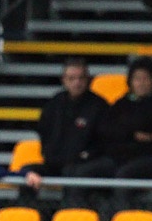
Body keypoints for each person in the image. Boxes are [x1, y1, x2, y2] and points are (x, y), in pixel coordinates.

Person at [22, 58, 110, 208]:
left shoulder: (99, 106)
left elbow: (103, 143)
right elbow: (44, 133)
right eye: (71, 78)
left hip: (84, 166)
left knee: (74, 174)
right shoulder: (54, 104)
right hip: (54, 164)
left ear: (88, 79)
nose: (77, 83)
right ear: (64, 80)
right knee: (26, 172)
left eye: (81, 78)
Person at [94, 57, 152, 209]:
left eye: (146, 79)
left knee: (123, 177)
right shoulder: (122, 103)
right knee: (85, 172)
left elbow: (149, 123)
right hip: (120, 157)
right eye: (137, 78)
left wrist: (123, 130)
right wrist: (132, 134)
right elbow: (106, 130)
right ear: (130, 81)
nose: (141, 83)